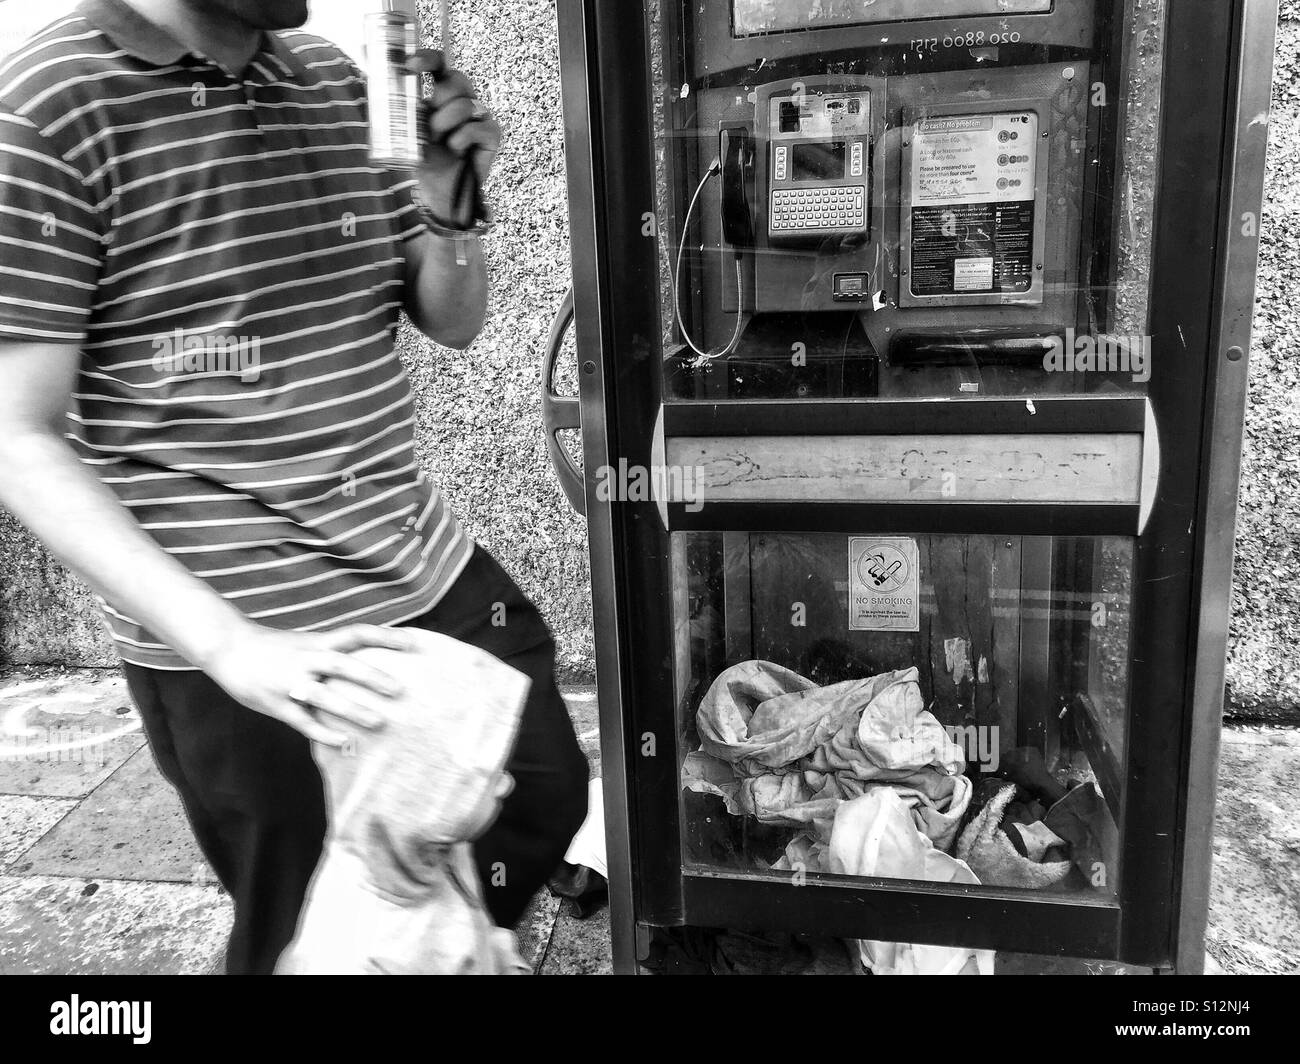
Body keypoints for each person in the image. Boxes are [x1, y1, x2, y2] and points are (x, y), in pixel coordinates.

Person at [0, 0, 588, 974]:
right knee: (303, 926)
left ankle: (442, 939)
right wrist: (232, 646)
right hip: (248, 636)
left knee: (544, 789)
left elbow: (453, 320)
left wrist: (451, 206)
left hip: (418, 564)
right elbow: (19, 433)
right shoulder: (48, 105)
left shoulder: (331, 78)